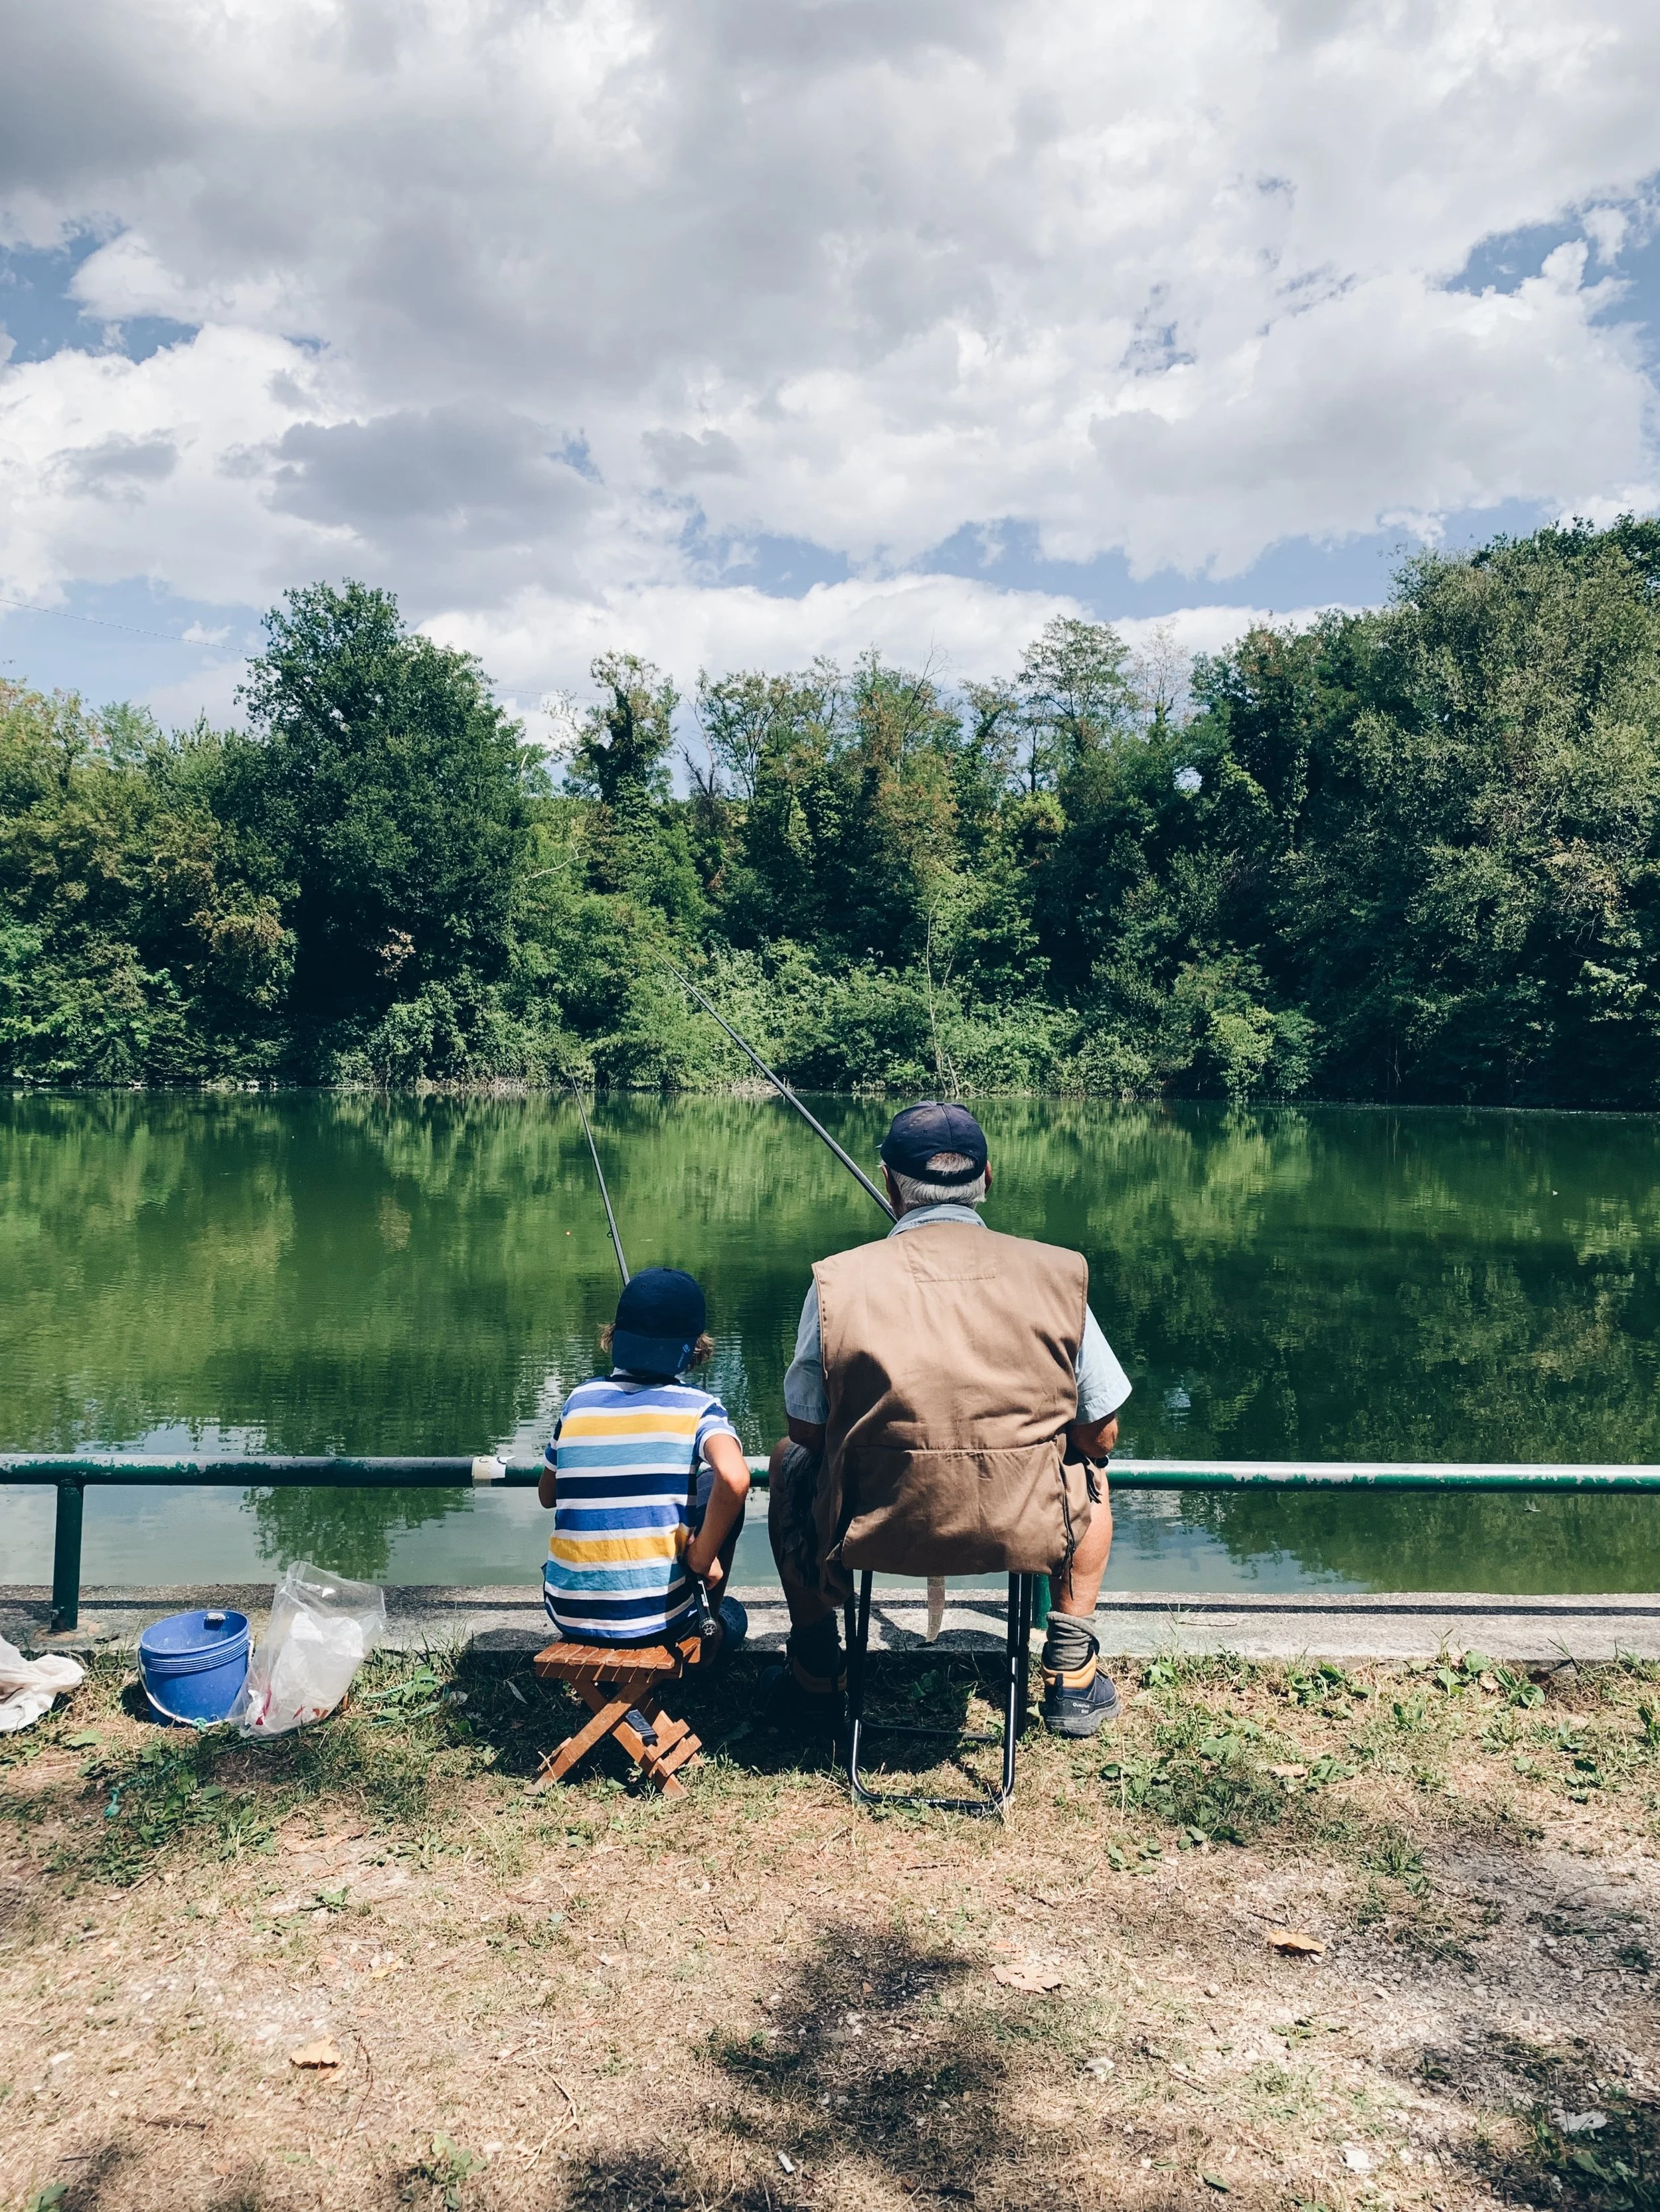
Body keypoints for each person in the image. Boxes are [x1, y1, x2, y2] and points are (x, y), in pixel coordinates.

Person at [765, 1101, 1131, 1737]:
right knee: (1091, 1475)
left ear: (887, 1182)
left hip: (872, 1525)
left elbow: (806, 1432)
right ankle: (1071, 1676)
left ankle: (817, 1668)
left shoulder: (836, 1283)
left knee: (787, 1462)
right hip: (1024, 1525)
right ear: (989, 1177)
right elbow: (1099, 1433)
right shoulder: (1058, 1273)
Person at [540, 1267, 751, 1667]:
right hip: (658, 1623)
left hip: (567, 1613)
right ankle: (705, 1645)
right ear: (693, 1350)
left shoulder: (579, 1401)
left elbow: (547, 1495)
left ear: (615, 1337)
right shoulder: (699, 1408)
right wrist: (702, 1557)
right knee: (735, 1617)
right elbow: (736, 1477)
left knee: (703, 1492)